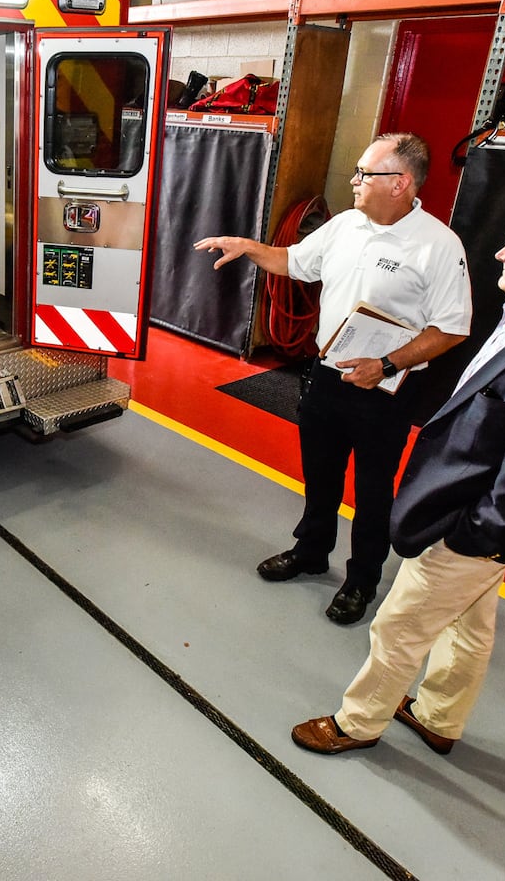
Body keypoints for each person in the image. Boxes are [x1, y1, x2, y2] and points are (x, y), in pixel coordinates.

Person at [290, 196, 505, 756]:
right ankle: (440, 715)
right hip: (467, 516)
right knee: (468, 627)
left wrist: (470, 539)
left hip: (469, 528)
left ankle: (357, 723)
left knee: (399, 626)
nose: (499, 252)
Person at [195, 132, 471, 624]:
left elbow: (451, 328)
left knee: (372, 489)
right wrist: (248, 246)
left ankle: (362, 578)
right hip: (326, 375)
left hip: (385, 389)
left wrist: (386, 365)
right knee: (320, 474)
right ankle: (311, 551)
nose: (354, 180)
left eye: (366, 173)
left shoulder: (437, 246)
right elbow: (294, 263)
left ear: (401, 183)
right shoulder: (346, 225)